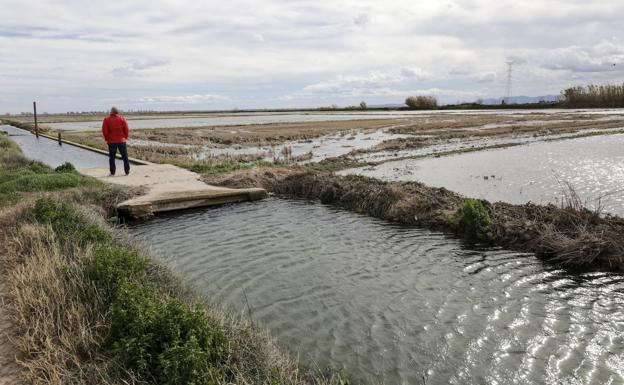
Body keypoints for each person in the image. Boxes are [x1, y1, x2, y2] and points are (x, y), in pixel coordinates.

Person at [102, 107, 130, 176]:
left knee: (112, 157)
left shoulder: (106, 120)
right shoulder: (122, 119)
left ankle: (112, 173)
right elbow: (126, 129)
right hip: (122, 141)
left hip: (111, 141)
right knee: (125, 156)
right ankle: (127, 172)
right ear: (117, 112)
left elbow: (105, 131)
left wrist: (107, 139)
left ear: (111, 112)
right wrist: (125, 137)